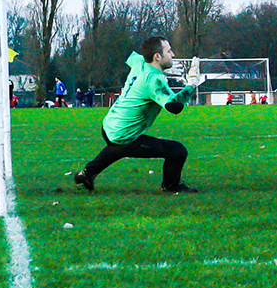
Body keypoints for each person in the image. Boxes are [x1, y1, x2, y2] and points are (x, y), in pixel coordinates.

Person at [72, 35, 200, 194]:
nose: (173, 54)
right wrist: (192, 84)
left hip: (110, 124)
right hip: (125, 134)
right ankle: (171, 186)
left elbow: (127, 54)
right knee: (177, 151)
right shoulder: (154, 80)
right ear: (157, 56)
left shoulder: (139, 61)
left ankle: (87, 174)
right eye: (169, 51)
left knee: (116, 149)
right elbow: (174, 106)